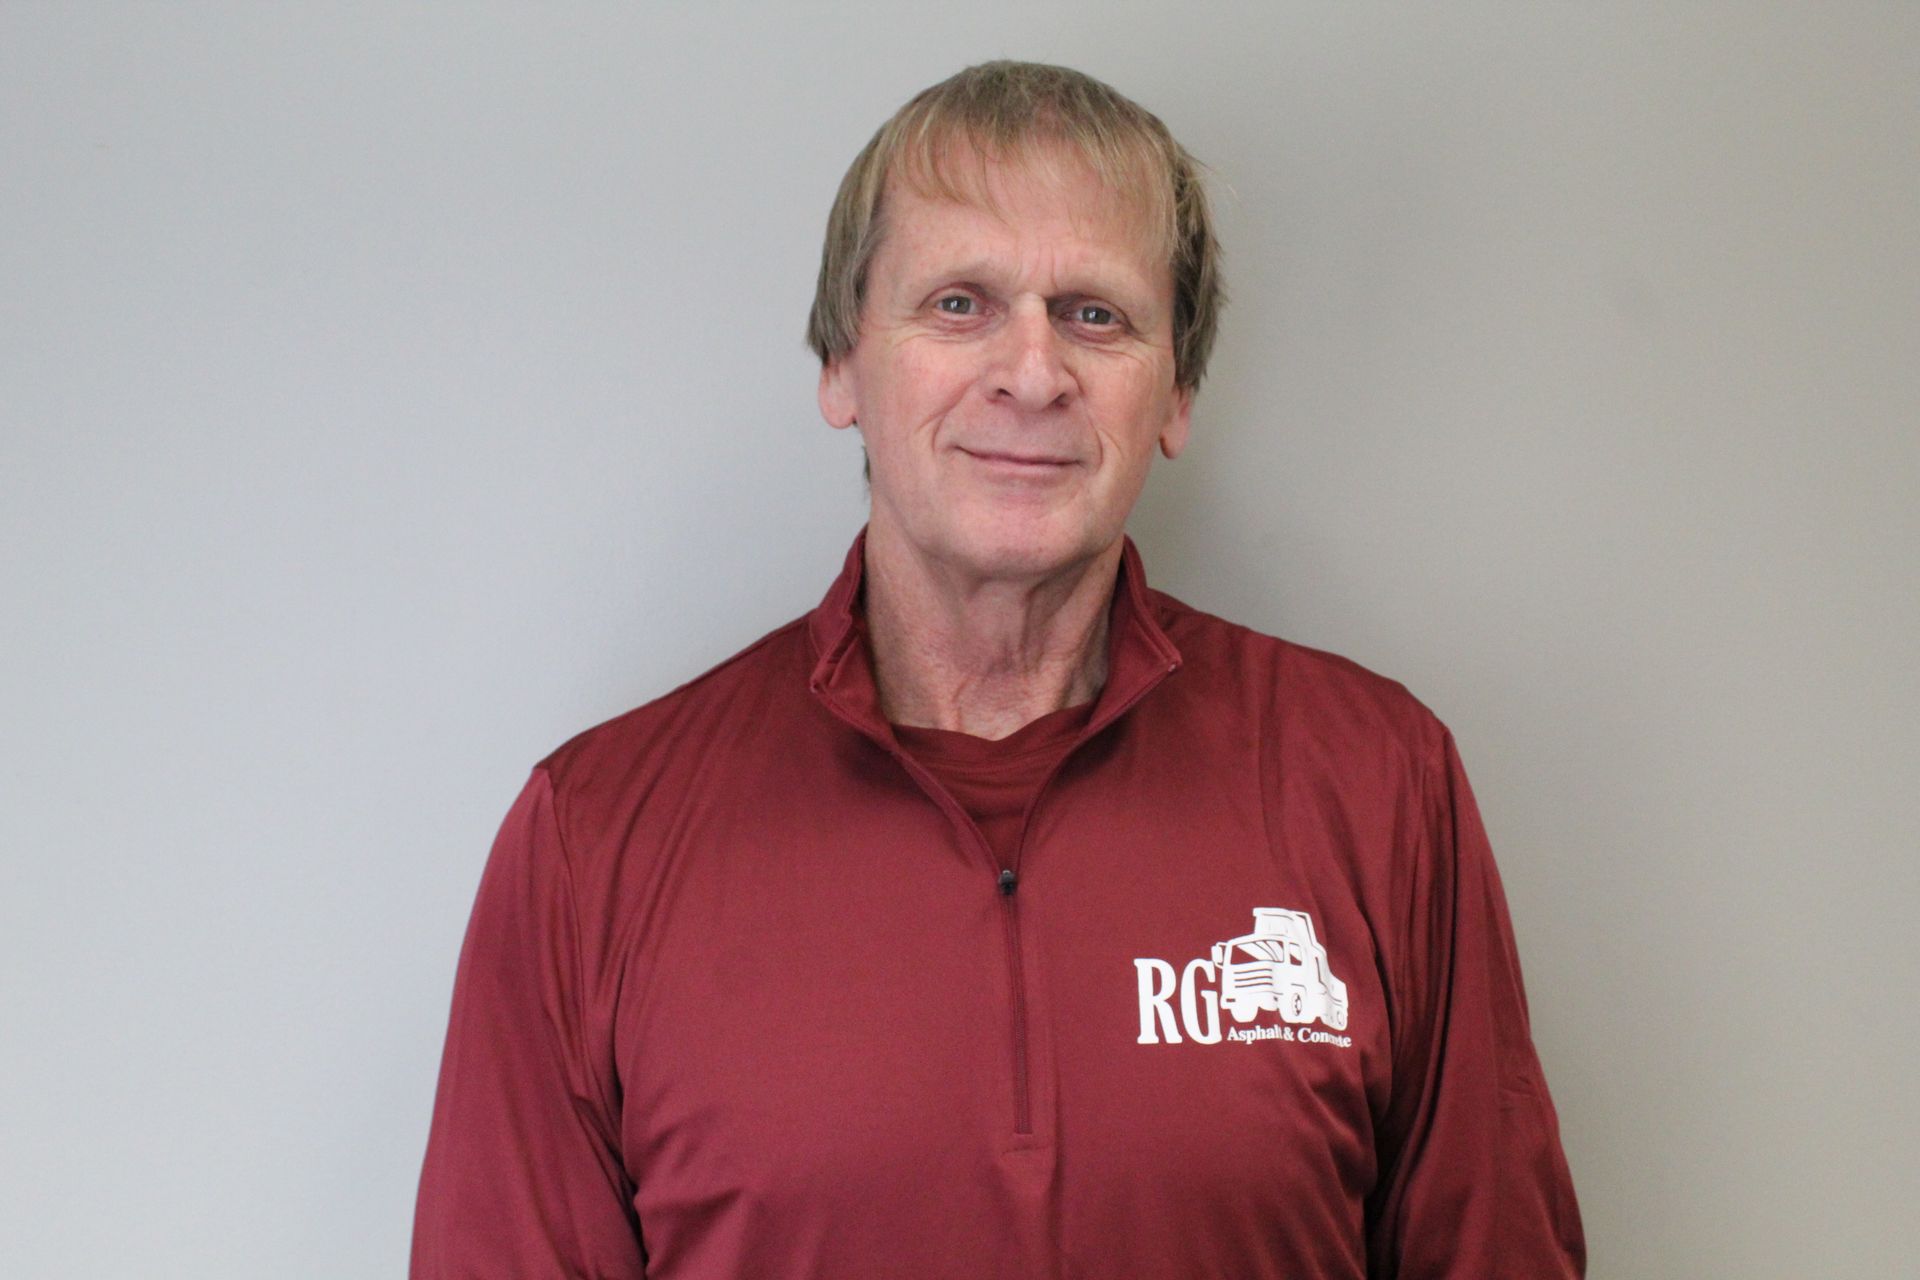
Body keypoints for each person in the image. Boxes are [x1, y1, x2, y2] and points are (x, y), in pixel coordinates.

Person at [412, 60, 1586, 1279]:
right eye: (960, 304)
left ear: (1175, 392)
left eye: (1095, 313)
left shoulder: (1378, 782)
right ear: (841, 367)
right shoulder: (595, 839)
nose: (1032, 373)